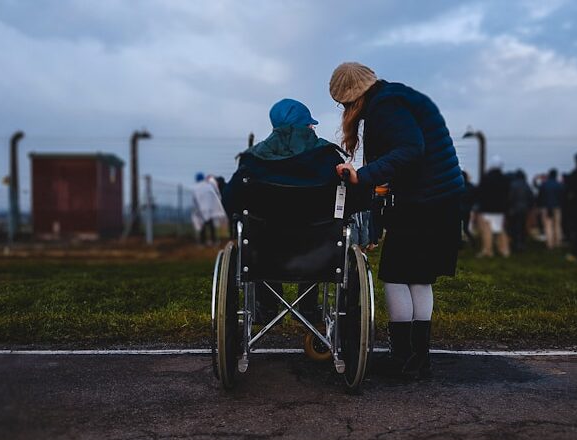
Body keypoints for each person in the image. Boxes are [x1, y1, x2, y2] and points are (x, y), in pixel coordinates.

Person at [330, 62, 464, 379]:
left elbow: (410, 149)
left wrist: (361, 176)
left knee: (395, 275)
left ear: (353, 97)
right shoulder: (397, 97)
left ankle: (403, 354)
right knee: (418, 277)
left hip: (424, 200)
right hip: (441, 198)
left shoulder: (385, 107)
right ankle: (418, 357)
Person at [222, 98, 356, 324]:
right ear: (307, 126)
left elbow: (230, 201)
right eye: (311, 124)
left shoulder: (253, 160)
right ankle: (309, 307)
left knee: (261, 237)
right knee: (317, 233)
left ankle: (266, 305)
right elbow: (352, 201)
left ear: (275, 126)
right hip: (319, 254)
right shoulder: (328, 158)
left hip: (264, 254)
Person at [475, 156, 511, 257]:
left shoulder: (486, 178)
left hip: (487, 209)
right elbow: (507, 194)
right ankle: (505, 250)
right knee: (500, 229)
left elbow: (480, 193)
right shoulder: (505, 179)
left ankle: (488, 250)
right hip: (500, 209)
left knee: (487, 230)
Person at [192, 172, 227, 246]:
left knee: (203, 226)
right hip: (210, 208)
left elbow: (194, 200)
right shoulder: (208, 186)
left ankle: (202, 242)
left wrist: (197, 210)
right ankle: (214, 241)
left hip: (201, 209)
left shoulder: (195, 188)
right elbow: (215, 194)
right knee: (211, 226)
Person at [507, 169, 534, 252]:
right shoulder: (527, 185)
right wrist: (529, 207)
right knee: (522, 226)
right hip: (524, 209)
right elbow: (531, 198)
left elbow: (510, 198)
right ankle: (522, 243)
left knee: (515, 227)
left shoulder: (512, 185)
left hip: (514, 209)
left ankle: (516, 244)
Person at [537, 169, 564, 249]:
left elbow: (540, 196)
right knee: (557, 225)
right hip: (557, 207)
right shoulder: (559, 185)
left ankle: (550, 244)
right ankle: (558, 242)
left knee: (548, 226)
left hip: (546, 207)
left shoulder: (544, 184)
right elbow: (562, 197)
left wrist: (540, 206)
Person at [460, 170, 476, 247]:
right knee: (466, 228)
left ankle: (460, 243)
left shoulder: (458, 187)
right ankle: (473, 242)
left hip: (458, 210)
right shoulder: (471, 187)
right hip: (468, 210)